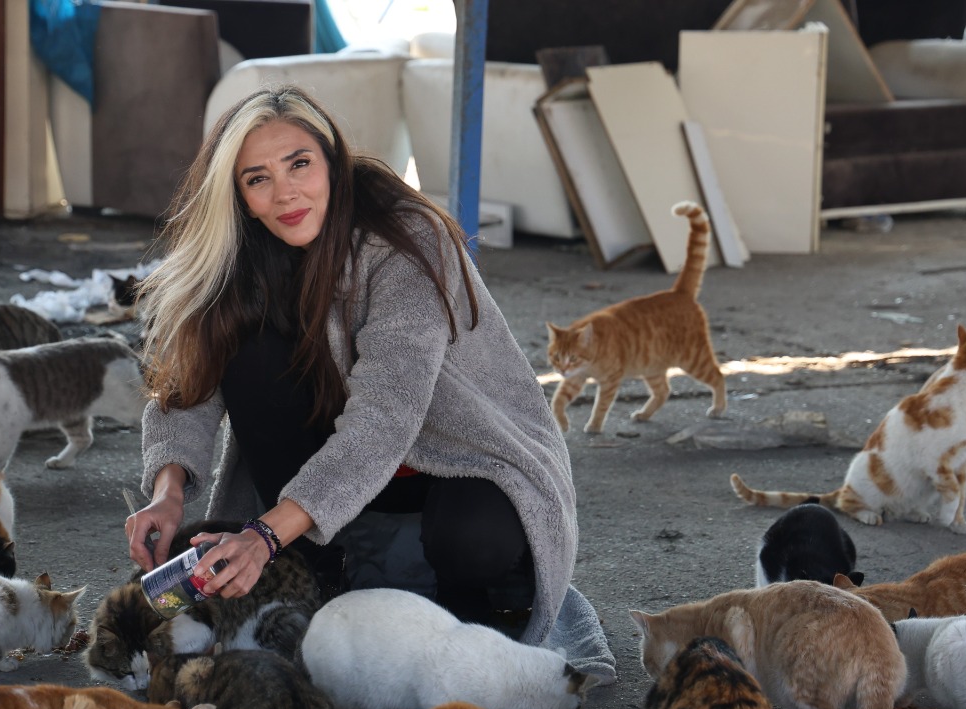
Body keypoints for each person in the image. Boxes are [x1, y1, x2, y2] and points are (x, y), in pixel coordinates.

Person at [124, 85, 610, 671]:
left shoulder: (405, 240)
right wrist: (167, 493)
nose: (286, 194)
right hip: (331, 466)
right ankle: (315, 570)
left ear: (332, 162)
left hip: (459, 459)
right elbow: (188, 385)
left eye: (299, 164)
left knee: (474, 540)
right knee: (190, 547)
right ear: (240, 198)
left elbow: (386, 418)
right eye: (257, 179)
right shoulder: (242, 254)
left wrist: (261, 536)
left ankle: (485, 601)